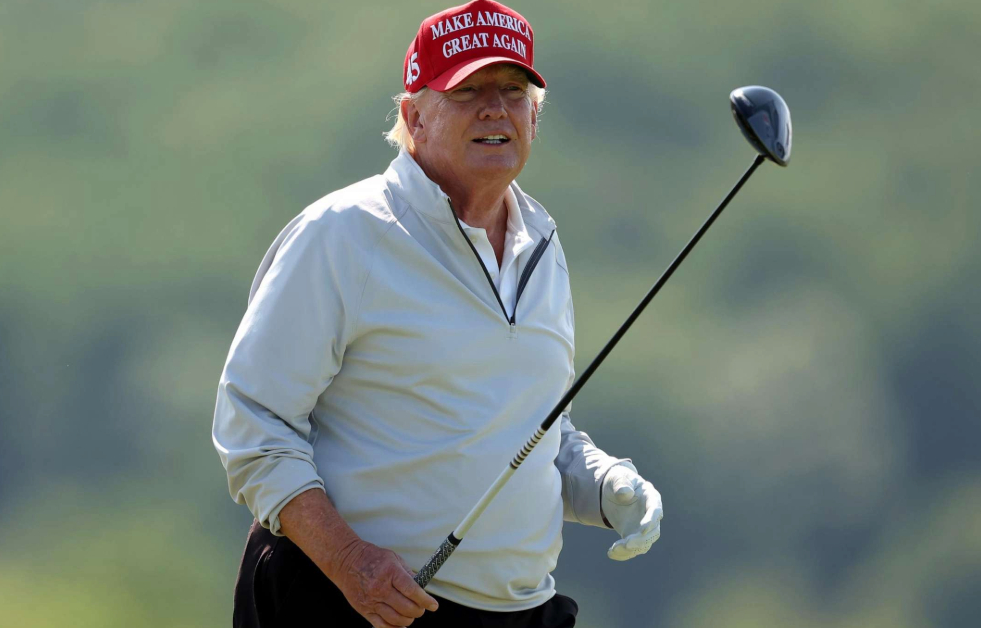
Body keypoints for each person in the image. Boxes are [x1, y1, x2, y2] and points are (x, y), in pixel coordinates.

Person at [212, 1, 663, 626]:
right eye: (467, 90)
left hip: (519, 613)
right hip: (348, 603)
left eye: (512, 90)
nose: (494, 109)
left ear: (535, 114)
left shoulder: (543, 243)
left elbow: (534, 431)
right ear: (413, 116)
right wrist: (350, 563)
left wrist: (608, 484)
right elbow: (253, 425)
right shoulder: (345, 233)